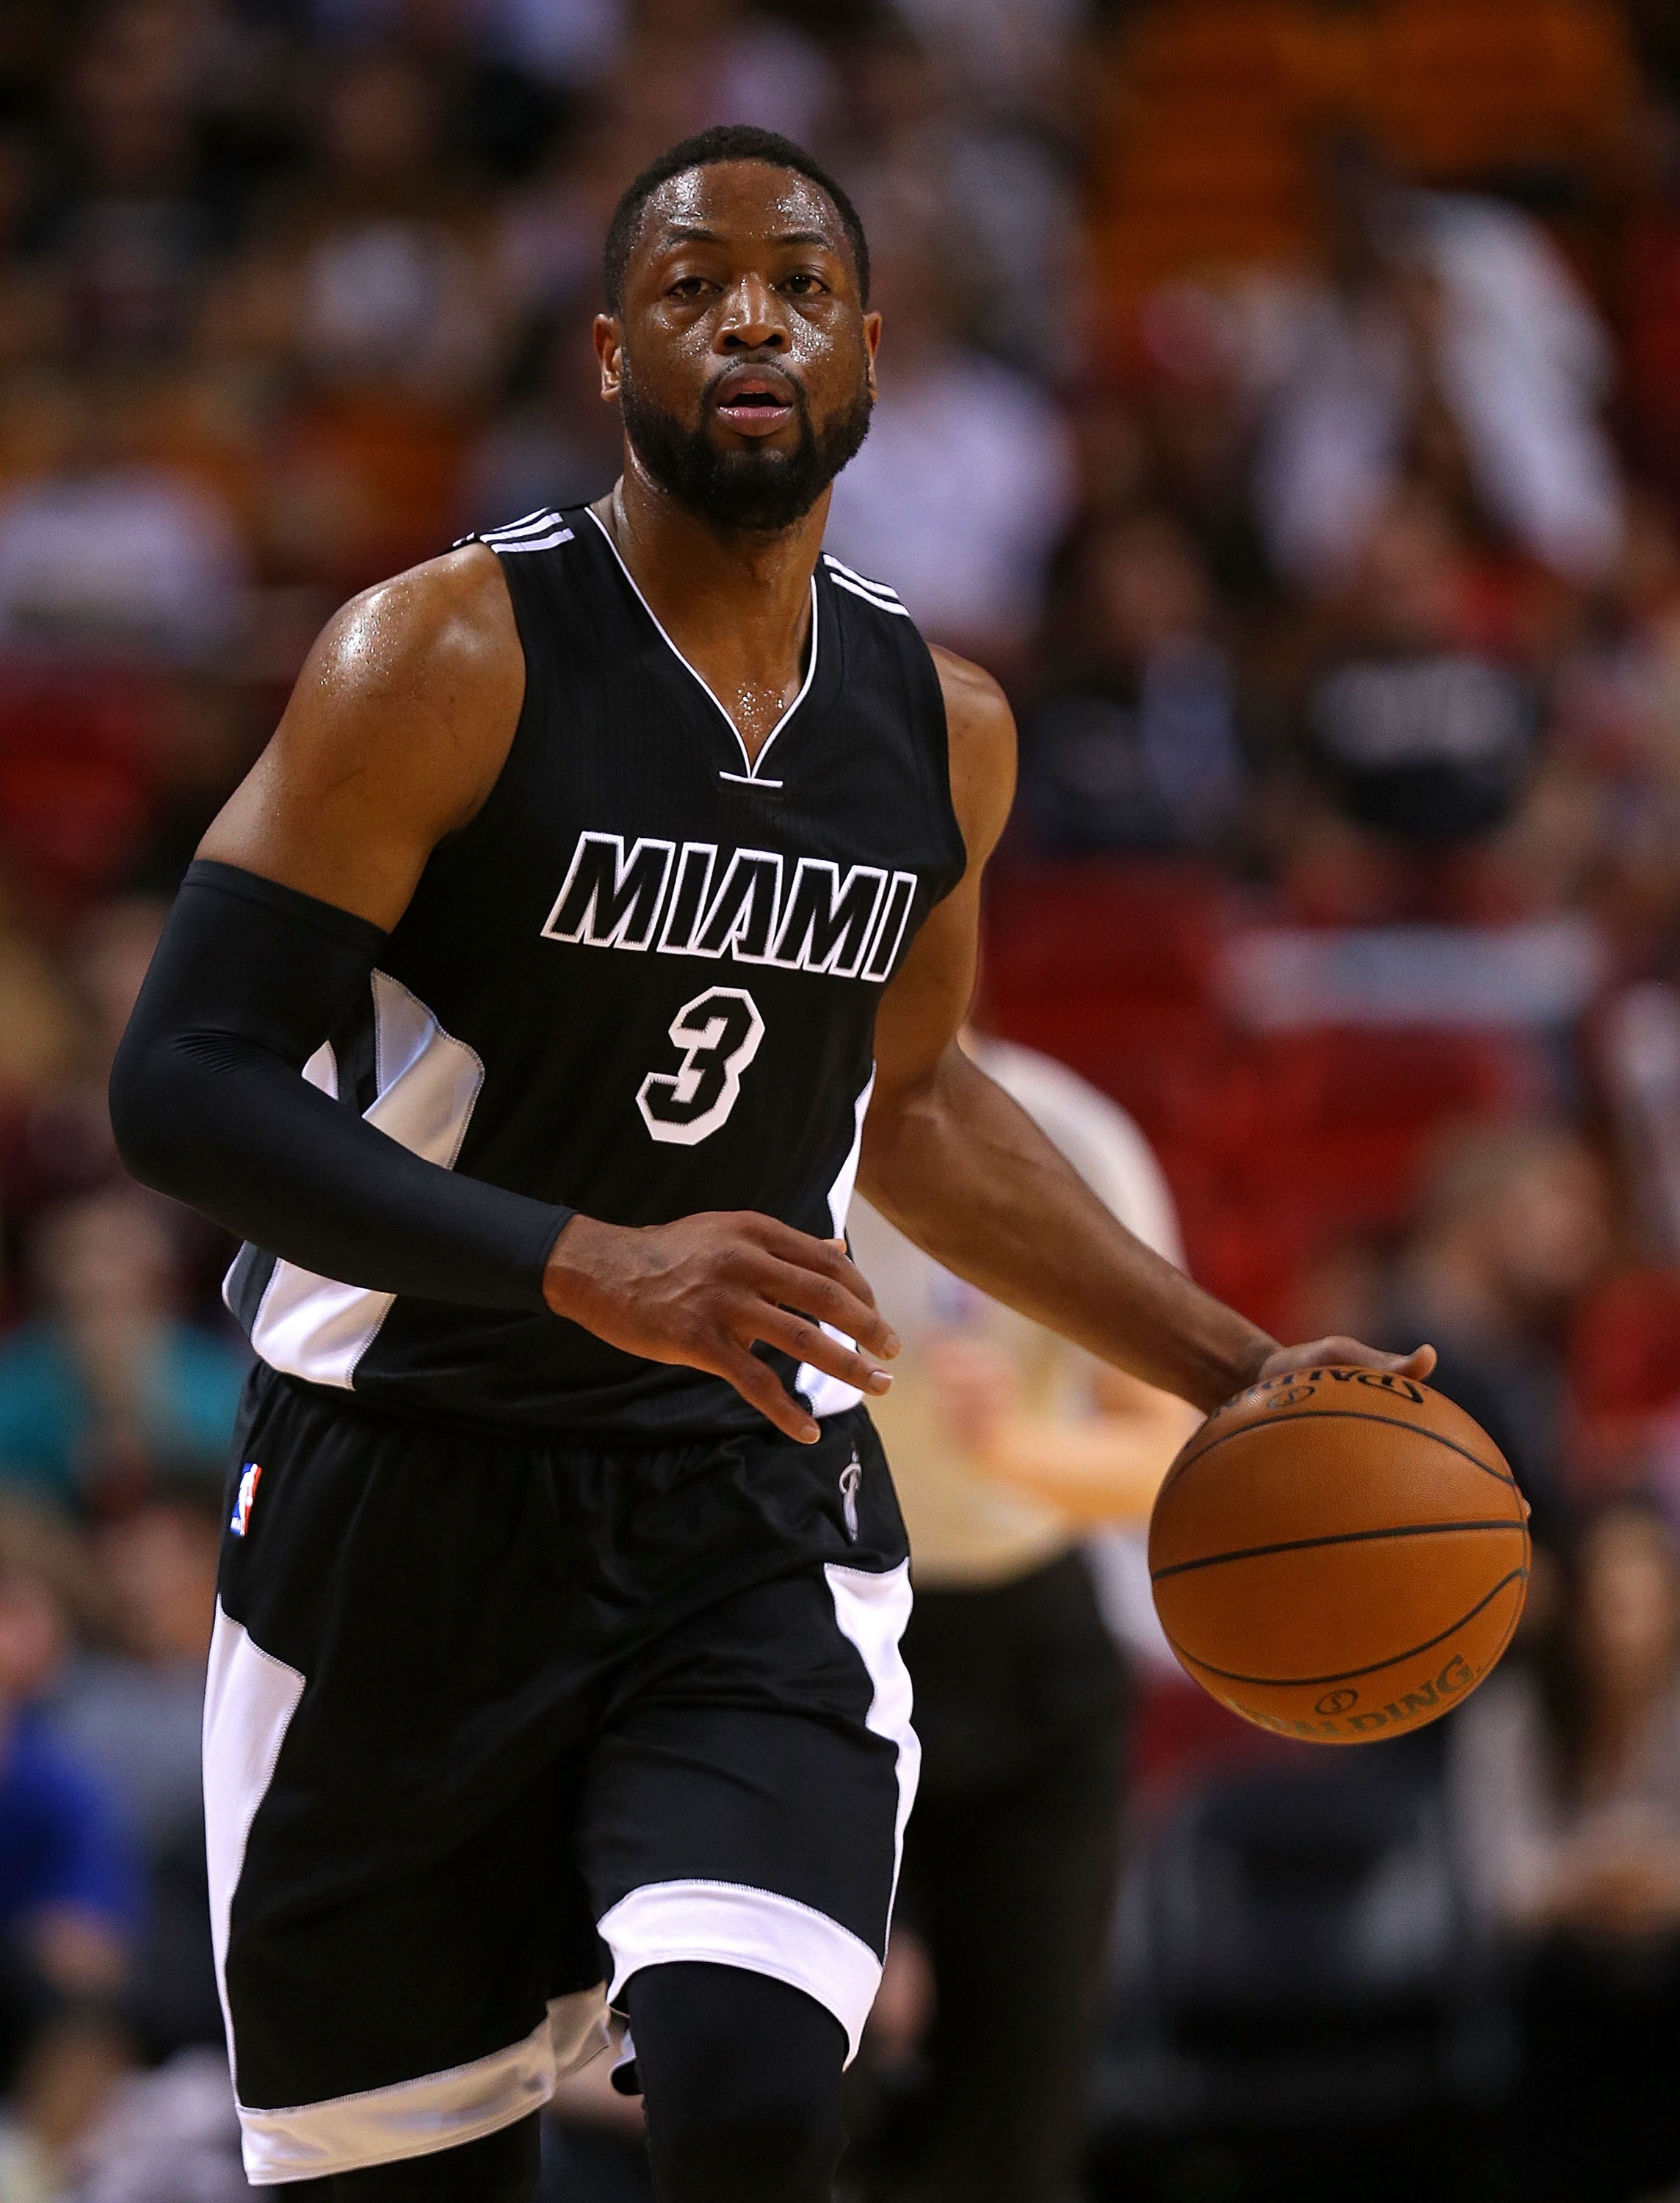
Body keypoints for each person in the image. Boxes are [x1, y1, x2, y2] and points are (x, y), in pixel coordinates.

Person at [106, 124, 1431, 2202]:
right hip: (400, 1499)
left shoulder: (941, 722)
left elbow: (911, 1103)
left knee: (743, 2094)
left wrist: (1234, 1370)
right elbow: (179, 1084)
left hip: (741, 1501)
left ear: (872, 355)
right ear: (607, 353)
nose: (751, 316)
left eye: (800, 286)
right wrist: (580, 1264)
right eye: (694, 283)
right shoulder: (444, 658)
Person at [845, 1035, 1200, 2203]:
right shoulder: (753, 1118)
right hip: (814, 1643)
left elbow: (1166, 1453)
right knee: (782, 2097)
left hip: (1025, 1651)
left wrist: (1014, 1450)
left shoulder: (1070, 1136)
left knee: (1018, 2130)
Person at [1449, 1497, 1680, 2203]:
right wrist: (1601, 1880)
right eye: (1607, 1605)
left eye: (1641, 1606)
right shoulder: (1504, 1718)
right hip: (1554, 1994)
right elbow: (1498, 1892)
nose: (1623, 1631)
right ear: (1572, 1610)